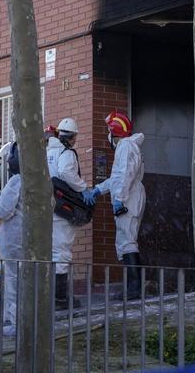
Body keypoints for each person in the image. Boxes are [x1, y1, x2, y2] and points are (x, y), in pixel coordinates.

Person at [88, 111, 147, 300]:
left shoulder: (125, 147)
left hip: (128, 197)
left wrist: (119, 199)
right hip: (129, 195)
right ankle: (132, 288)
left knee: (127, 241)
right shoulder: (127, 146)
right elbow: (116, 178)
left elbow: (123, 175)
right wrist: (98, 189)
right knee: (125, 240)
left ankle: (134, 289)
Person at [48, 117, 93, 309]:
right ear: (73, 137)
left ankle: (51, 296)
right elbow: (66, 172)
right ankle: (59, 299)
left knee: (51, 252)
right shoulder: (65, 152)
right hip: (61, 209)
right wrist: (83, 188)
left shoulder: (47, 152)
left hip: (48, 209)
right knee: (61, 253)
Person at [0, 142, 23, 336]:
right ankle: (10, 317)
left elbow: (3, 210)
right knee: (23, 280)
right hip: (27, 237)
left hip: (13, 236)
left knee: (13, 280)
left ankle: (14, 321)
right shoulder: (41, 179)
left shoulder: (16, 181)